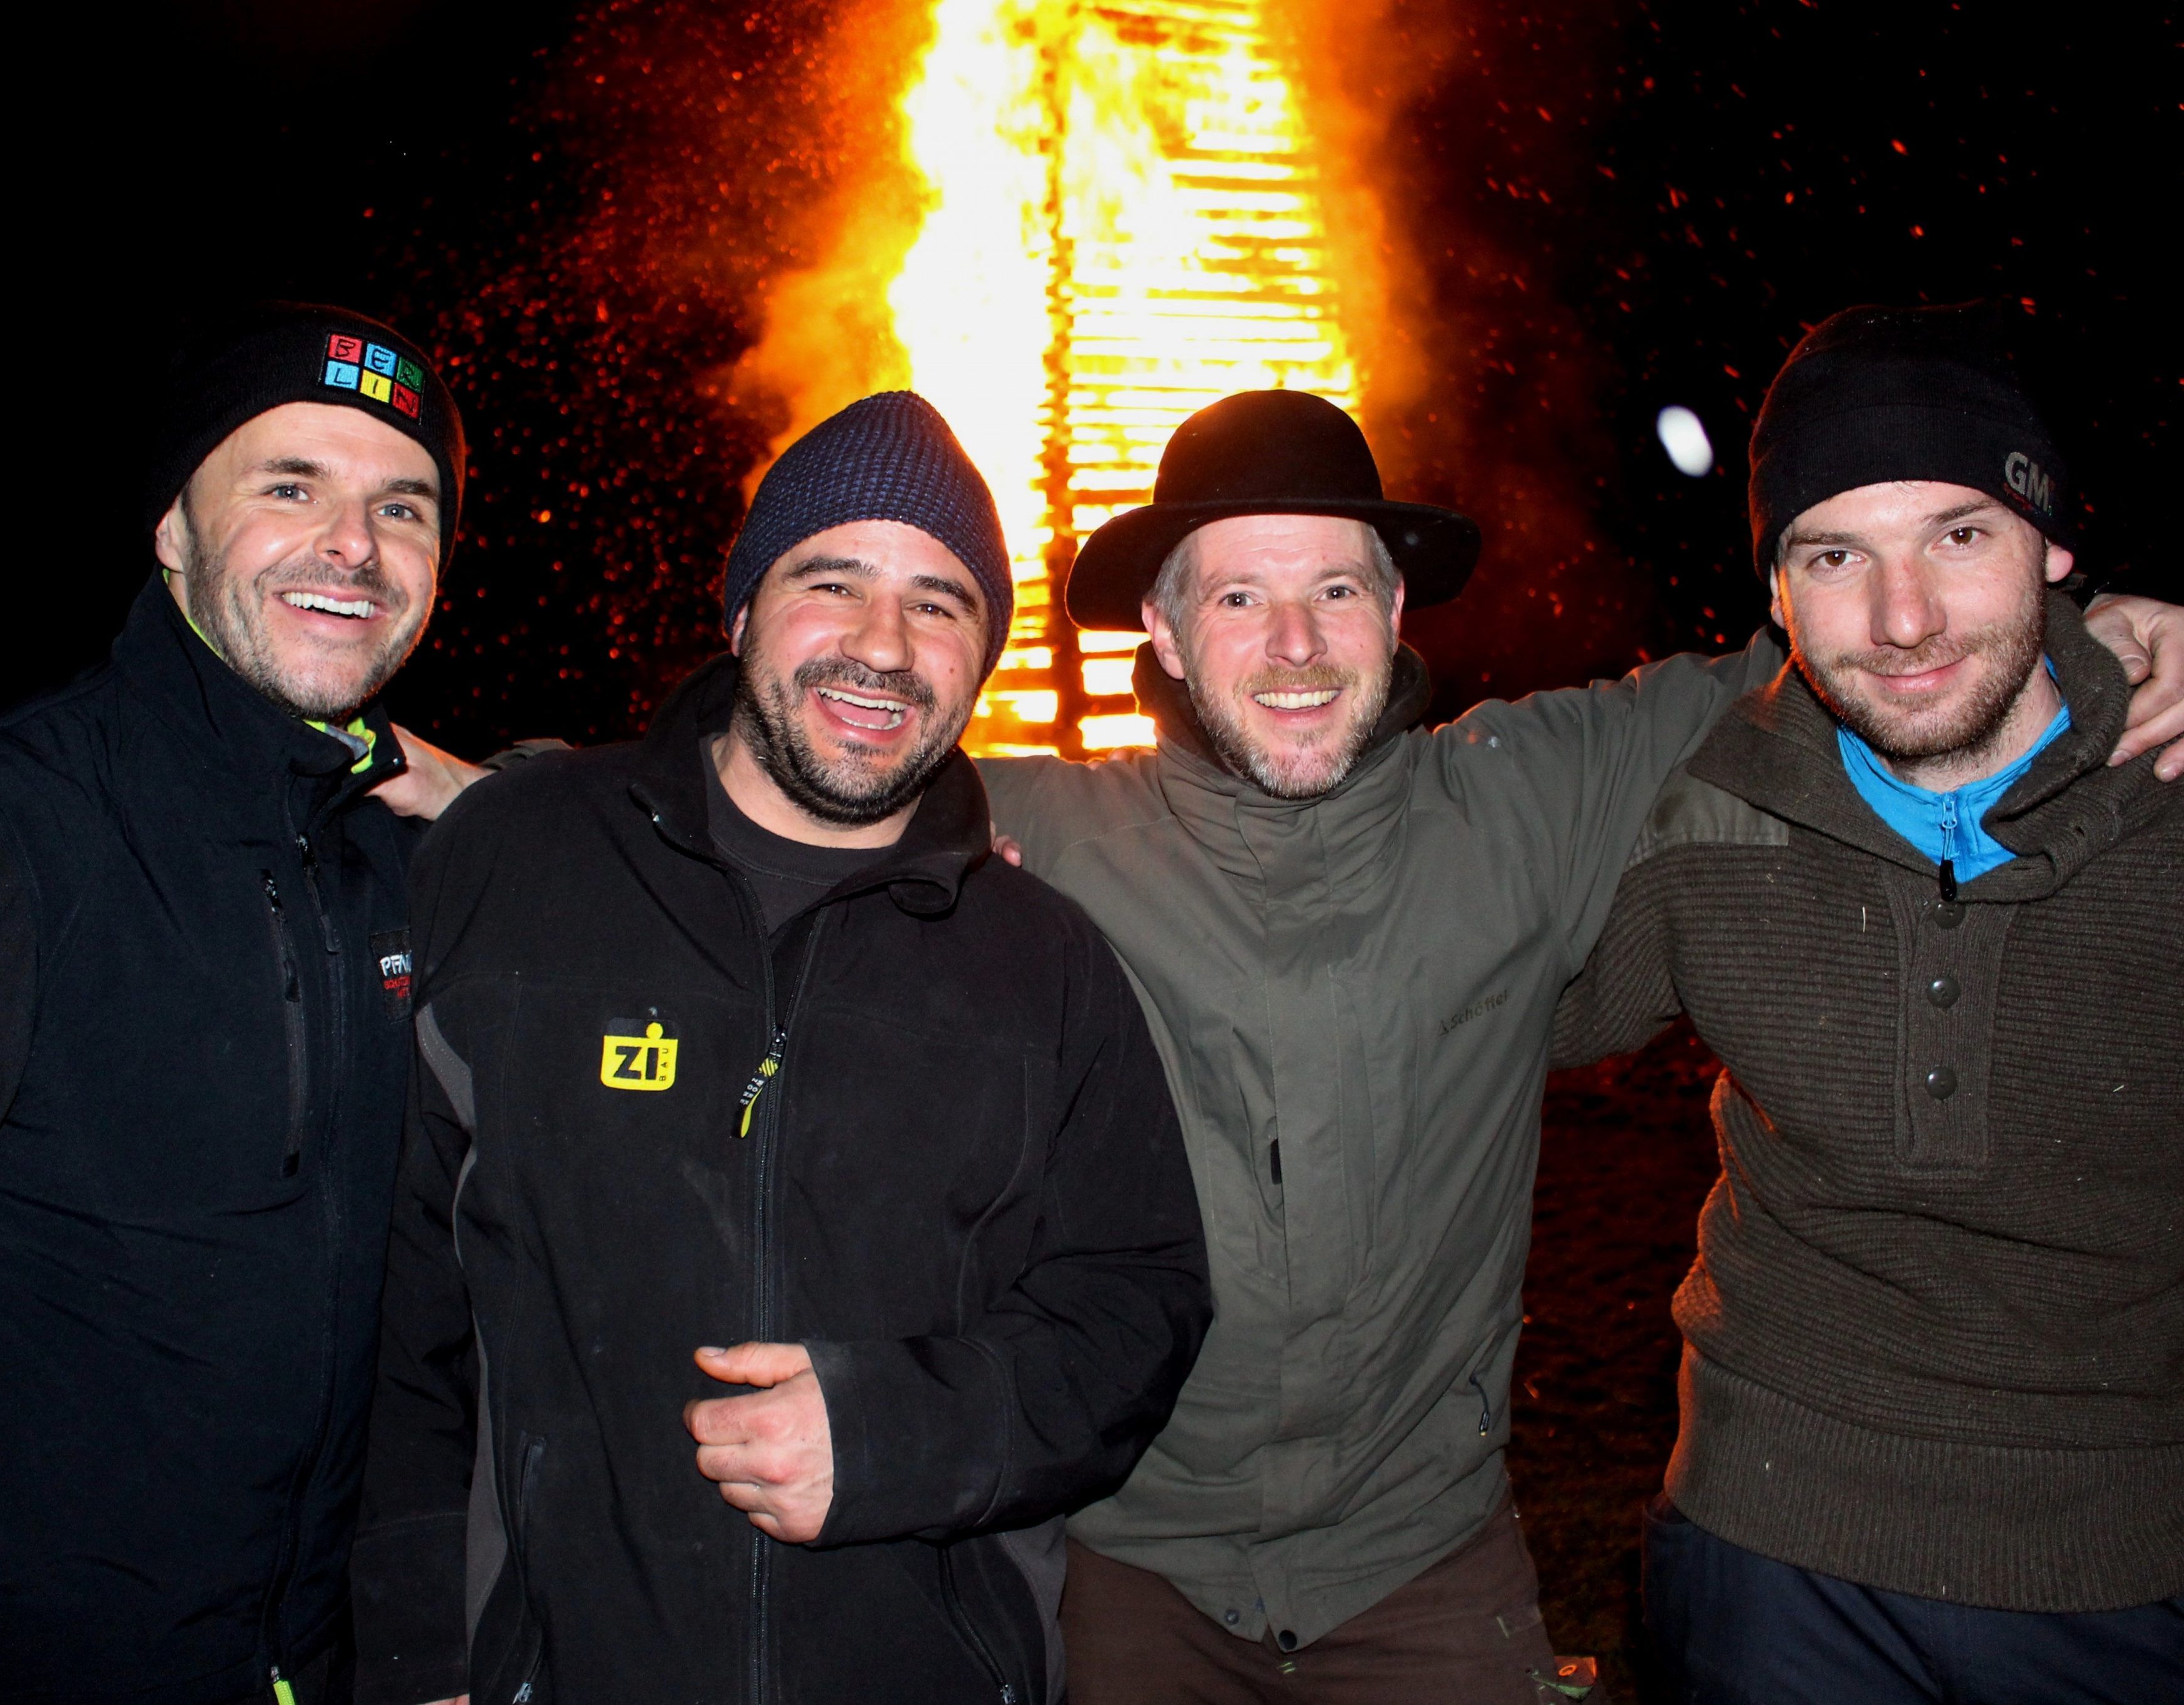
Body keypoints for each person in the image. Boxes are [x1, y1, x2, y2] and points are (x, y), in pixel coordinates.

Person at [969, 386, 2182, 1704]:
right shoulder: (1033, 833)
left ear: (1395, 607)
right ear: (1160, 626)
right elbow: (806, 786)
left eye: (1336, 589)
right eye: (1239, 597)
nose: (1297, 644)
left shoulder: (1529, 792)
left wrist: (2092, 626)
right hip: (1127, 1565)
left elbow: (1862, 651)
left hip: (1419, 1568)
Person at [350, 393, 1212, 1705]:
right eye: (834, 581)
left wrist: (898, 1436)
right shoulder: (517, 862)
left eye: (939, 603)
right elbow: (397, 1289)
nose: (884, 645)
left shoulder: (1043, 960)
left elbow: (1135, 1304)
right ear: (742, 608)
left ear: (983, 658)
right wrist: (420, 1645)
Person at [1547, 303, 2184, 1703]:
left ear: (2054, 547)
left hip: (2125, 1562)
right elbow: (1472, 1009)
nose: (1903, 621)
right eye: (1835, 555)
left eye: (1957, 535)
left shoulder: (2172, 798)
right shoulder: (1708, 812)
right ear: (1778, 593)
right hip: (1768, 1545)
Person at [0, 304, 497, 1702]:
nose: (352, 546)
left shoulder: (395, 857)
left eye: (400, 508)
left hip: (310, 1657)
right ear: (174, 528)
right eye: (290, 487)